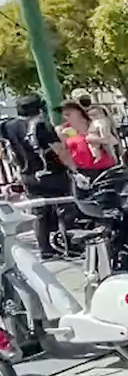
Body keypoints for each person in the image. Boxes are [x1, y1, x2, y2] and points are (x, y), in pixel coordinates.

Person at [2, 95, 77, 258]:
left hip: (27, 175)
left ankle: (45, 249)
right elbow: (59, 150)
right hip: (52, 173)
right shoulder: (41, 125)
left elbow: (5, 151)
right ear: (39, 108)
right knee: (65, 208)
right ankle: (67, 244)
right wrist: (74, 169)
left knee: (40, 214)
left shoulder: (8, 127)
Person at [56, 101, 116, 178]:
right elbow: (63, 153)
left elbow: (111, 140)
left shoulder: (94, 124)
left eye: (69, 113)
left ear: (79, 112)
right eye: (63, 113)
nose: (65, 116)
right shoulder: (64, 131)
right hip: (83, 172)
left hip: (106, 168)